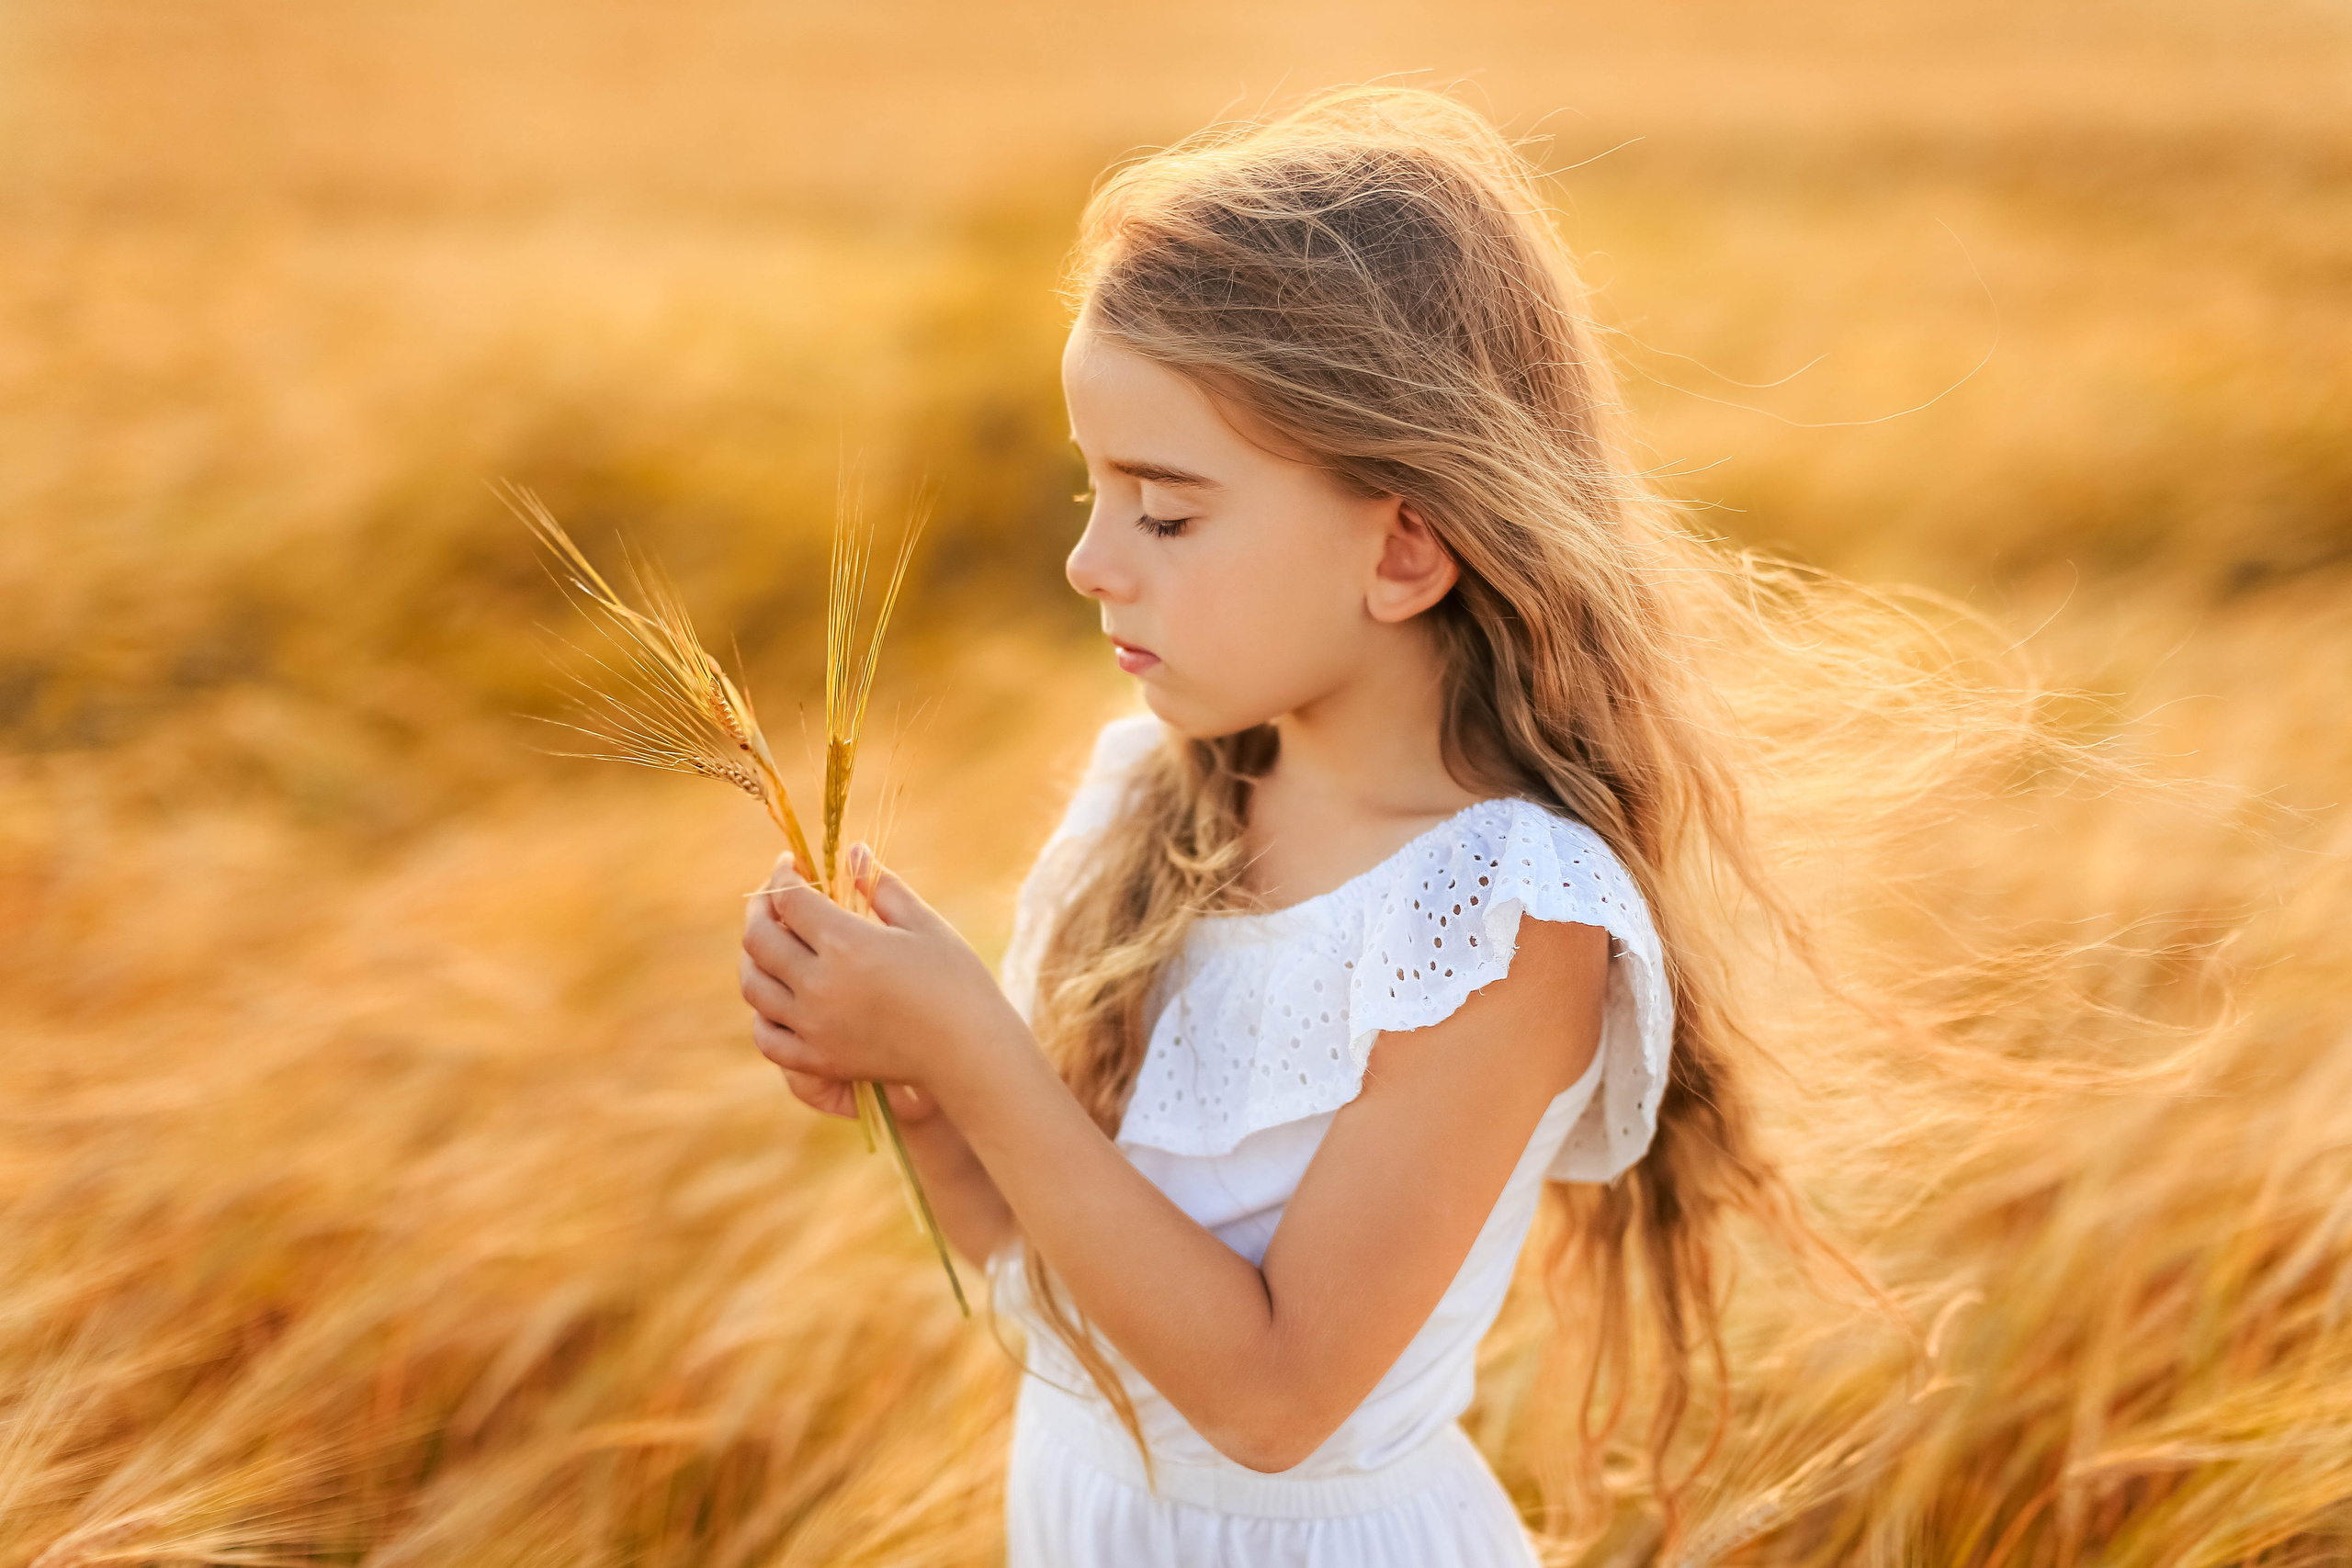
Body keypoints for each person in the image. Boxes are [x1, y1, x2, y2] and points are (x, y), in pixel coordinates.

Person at [738, 85, 1824, 1565]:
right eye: (1090, 489)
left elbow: (1271, 1400)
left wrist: (974, 1056)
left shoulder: (1506, 916)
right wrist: (922, 1100)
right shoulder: (1149, 802)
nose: (1085, 561)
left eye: (1164, 513)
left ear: (1405, 546)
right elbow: (1038, 1271)